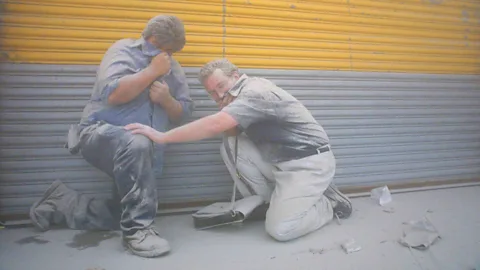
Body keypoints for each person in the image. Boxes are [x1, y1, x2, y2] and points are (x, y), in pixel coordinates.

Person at [125, 59, 352, 242]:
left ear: (236, 76)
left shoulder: (256, 92)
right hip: (281, 160)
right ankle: (271, 202)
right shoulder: (238, 96)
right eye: (212, 93)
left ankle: (328, 202)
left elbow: (214, 125)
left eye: (221, 86)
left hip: (308, 163)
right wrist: (228, 110)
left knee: (281, 230)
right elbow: (230, 134)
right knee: (231, 145)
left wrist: (162, 137)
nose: (218, 96)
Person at [29, 15, 194, 258]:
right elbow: (113, 95)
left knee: (121, 212)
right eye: (165, 49)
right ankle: (139, 231)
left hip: (142, 152)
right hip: (99, 135)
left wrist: (167, 100)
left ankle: (59, 202)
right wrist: (152, 72)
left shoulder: (173, 68)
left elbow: (184, 113)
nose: (167, 56)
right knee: (137, 139)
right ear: (153, 39)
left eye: (171, 53)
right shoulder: (123, 50)